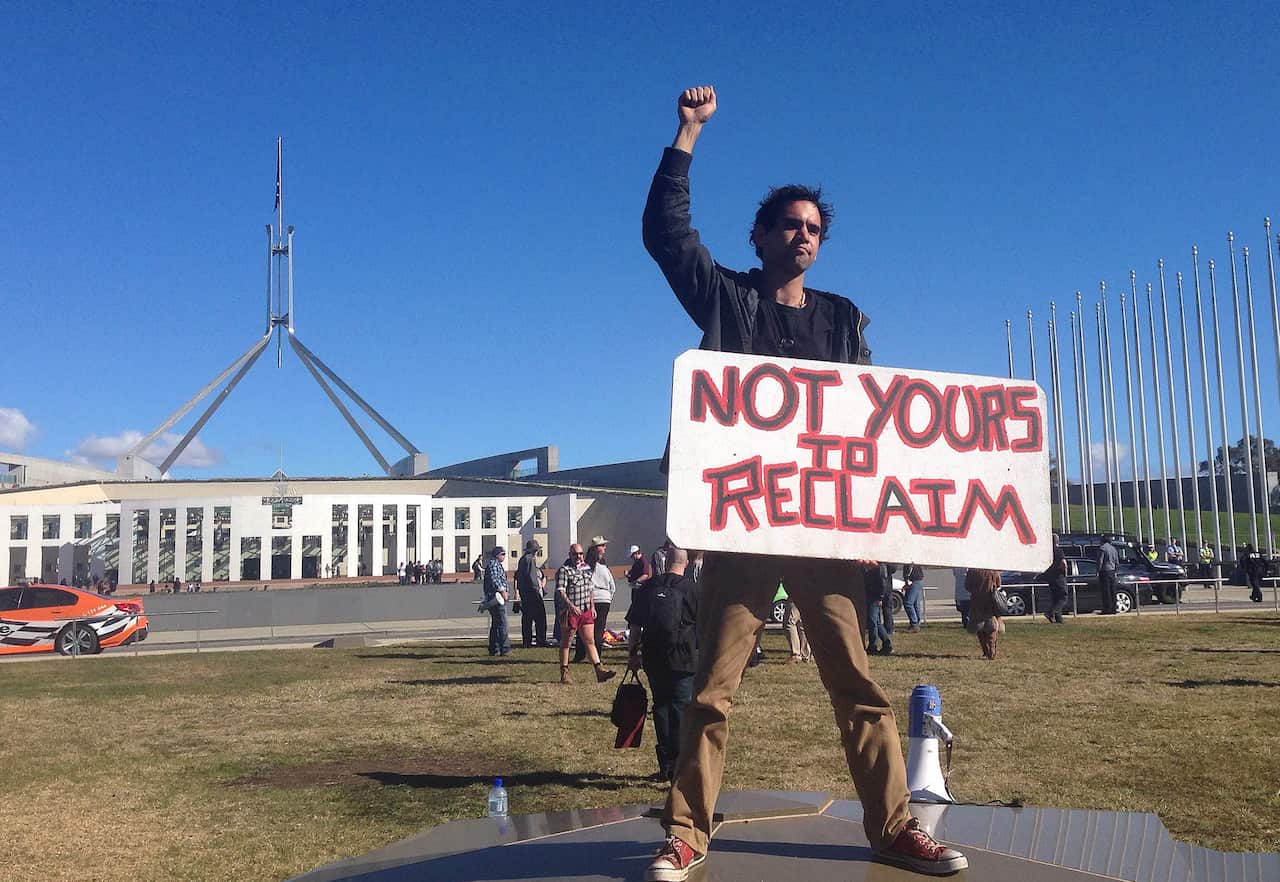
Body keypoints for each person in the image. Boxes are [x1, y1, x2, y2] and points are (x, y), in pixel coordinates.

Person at [640, 85, 965, 880]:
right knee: (711, 692)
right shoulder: (728, 299)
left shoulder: (843, 318)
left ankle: (894, 827)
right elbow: (665, 235)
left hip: (824, 536)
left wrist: (873, 532)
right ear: (760, 235)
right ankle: (686, 834)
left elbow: (867, 428)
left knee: (858, 684)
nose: (804, 236)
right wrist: (687, 135)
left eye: (815, 229)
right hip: (745, 530)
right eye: (790, 224)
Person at [627, 545, 699, 782]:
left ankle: (666, 764)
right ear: (685, 564)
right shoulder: (692, 589)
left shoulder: (648, 587)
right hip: (684, 657)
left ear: (665, 562)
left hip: (653, 655)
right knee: (681, 709)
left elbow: (635, 626)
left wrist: (633, 654)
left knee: (661, 707)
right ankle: (681, 766)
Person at [555, 543, 616, 684]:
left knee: (590, 640)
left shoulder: (587, 569)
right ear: (570, 555)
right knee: (567, 642)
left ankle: (599, 670)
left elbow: (590, 589)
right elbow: (561, 591)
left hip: (586, 610)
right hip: (571, 611)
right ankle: (564, 672)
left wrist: (592, 607)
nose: (579, 557)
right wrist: (570, 606)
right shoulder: (565, 570)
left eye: (581, 554)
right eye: (575, 554)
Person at [574, 536, 616, 662]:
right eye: (602, 546)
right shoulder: (603, 568)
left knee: (583, 628)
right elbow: (612, 586)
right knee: (598, 629)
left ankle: (580, 654)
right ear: (597, 549)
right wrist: (608, 597)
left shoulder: (585, 567)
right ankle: (596, 656)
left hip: (590, 598)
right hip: (603, 599)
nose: (604, 548)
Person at [965, 568, 1004, 660]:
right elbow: (998, 584)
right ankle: (992, 651)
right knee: (992, 627)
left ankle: (986, 651)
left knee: (979, 627)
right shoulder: (993, 570)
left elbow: (967, 586)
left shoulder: (972, 570)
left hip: (976, 601)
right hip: (990, 601)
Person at [516, 539, 548, 648]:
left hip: (525, 593)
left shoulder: (522, 560)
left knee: (527, 619)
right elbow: (532, 578)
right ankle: (540, 640)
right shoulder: (530, 560)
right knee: (540, 618)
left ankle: (527, 641)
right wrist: (538, 591)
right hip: (532, 593)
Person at [482, 547, 511, 656]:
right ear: (497, 555)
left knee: (496, 624)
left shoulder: (496, 565)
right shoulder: (494, 564)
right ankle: (505, 648)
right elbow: (495, 579)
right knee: (503, 624)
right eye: (502, 554)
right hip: (496, 598)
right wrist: (503, 590)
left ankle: (494, 649)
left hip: (496, 598)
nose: (504, 556)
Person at [866, 562, 895, 656]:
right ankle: (887, 644)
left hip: (875, 596)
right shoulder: (871, 566)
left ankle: (873, 645)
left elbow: (882, 581)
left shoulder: (878, 567)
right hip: (871, 595)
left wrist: (880, 596)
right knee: (876, 622)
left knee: (873, 621)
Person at [1042, 535, 1068, 624]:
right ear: (1057, 541)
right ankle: (1051, 612)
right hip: (1058, 576)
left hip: (1050, 576)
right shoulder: (1059, 551)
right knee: (1063, 597)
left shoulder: (1047, 552)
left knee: (1055, 598)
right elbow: (1063, 563)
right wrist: (1065, 573)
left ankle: (1059, 619)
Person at [783, 590, 810, 663]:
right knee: (802, 624)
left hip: (797, 592)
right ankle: (805, 654)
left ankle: (796, 654)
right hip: (808, 592)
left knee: (789, 622)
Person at [1098, 536, 1120, 614]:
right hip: (1112, 571)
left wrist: (1098, 571)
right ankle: (1114, 608)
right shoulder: (1113, 549)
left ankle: (1107, 609)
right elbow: (1117, 562)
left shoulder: (1102, 548)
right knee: (1113, 591)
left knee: (1106, 591)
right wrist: (1116, 571)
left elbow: (1100, 561)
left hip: (1105, 571)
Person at [903, 562, 925, 632]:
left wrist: (907, 579)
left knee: (908, 603)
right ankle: (917, 623)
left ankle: (914, 623)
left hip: (913, 580)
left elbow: (909, 568)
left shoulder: (908, 558)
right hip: (918, 579)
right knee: (916, 604)